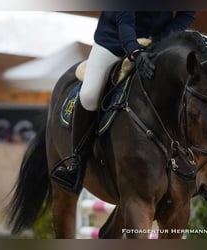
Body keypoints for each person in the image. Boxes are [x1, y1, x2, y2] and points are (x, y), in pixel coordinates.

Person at [51, 11, 196, 193]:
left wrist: (161, 40)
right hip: (115, 40)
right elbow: (125, 18)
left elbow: (187, 13)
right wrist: (135, 50)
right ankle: (77, 163)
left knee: (191, 83)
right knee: (89, 95)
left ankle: (201, 161)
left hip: (159, 41)